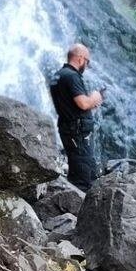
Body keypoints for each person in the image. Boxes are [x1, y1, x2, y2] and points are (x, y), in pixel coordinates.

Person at [50, 44, 104, 191]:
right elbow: (83, 103)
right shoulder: (72, 76)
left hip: (68, 129)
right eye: (87, 61)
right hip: (77, 133)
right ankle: (75, 203)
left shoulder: (58, 75)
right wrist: (95, 97)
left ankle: (70, 198)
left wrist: (91, 104)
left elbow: (70, 105)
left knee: (79, 170)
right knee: (83, 178)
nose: (87, 65)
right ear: (80, 59)